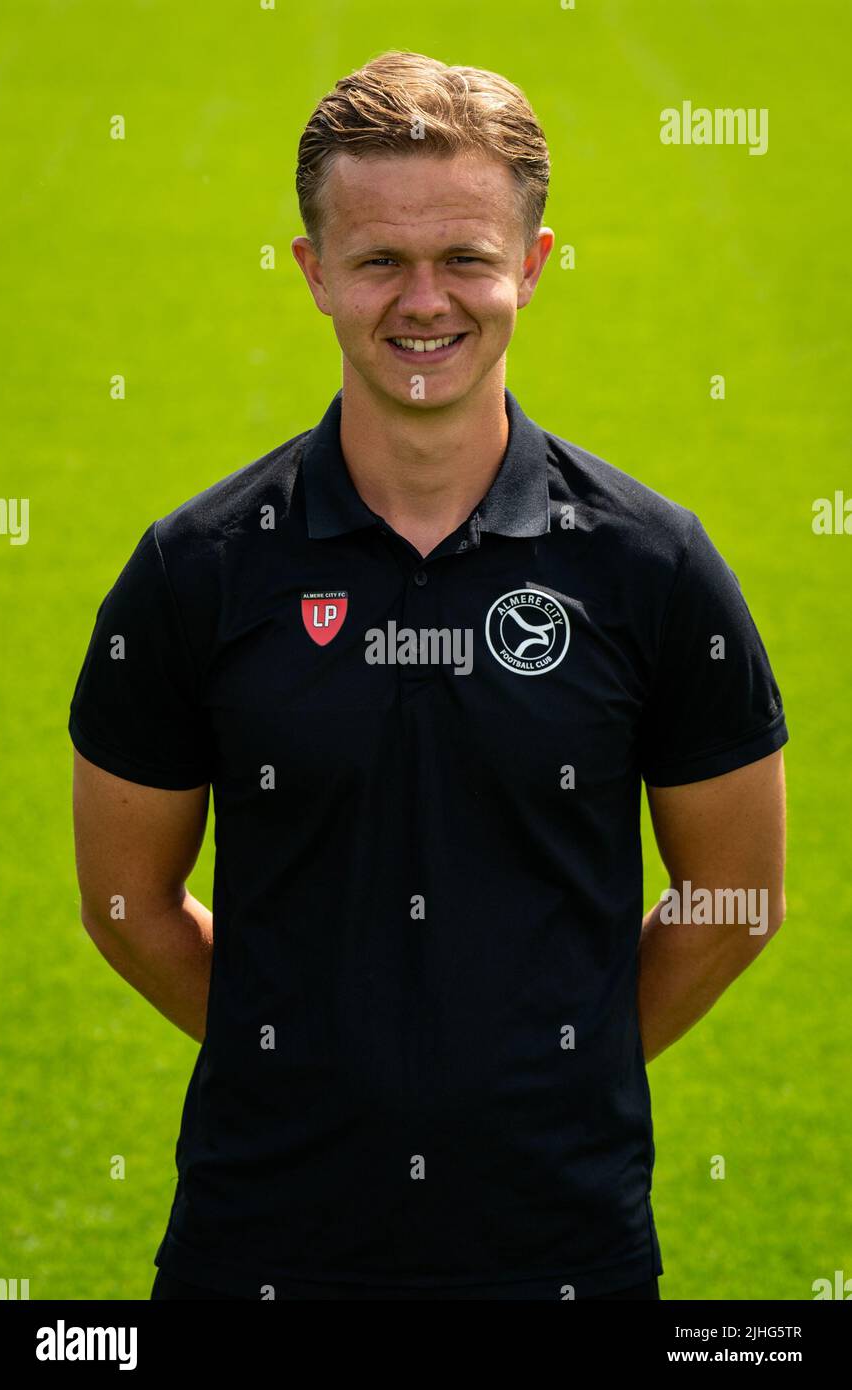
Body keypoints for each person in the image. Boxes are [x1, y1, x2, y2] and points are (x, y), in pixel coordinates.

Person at [68, 50, 788, 1302]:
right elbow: (127, 904)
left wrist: (554, 1069)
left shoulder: (649, 567)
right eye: (378, 261)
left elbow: (734, 895)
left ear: (534, 264)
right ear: (312, 273)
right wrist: (307, 1065)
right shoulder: (195, 572)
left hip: (560, 1247)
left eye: (463, 257)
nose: (423, 302)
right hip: (263, 1241)